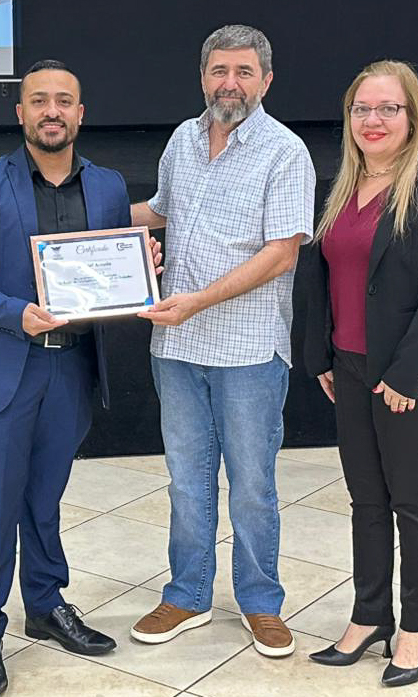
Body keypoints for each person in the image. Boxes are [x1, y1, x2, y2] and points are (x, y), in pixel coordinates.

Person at [0, 60, 160, 697]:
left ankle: (46, 605)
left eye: (63, 101)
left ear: (80, 114)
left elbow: (109, 266)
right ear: (20, 113)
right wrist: (15, 313)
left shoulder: (108, 186)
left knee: (46, 499)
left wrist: (139, 264)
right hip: (7, 366)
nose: (51, 111)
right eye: (38, 101)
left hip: (72, 367)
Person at [128, 24, 316, 657]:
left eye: (243, 72)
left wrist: (198, 302)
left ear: (266, 80)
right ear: (202, 76)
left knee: (253, 487)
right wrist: (79, 216)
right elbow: (160, 211)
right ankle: (187, 595)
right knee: (186, 482)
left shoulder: (285, 152)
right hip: (175, 349)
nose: (229, 83)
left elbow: (282, 254)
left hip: (249, 350)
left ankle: (262, 603)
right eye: (219, 70)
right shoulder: (182, 139)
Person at [300, 60, 418, 687]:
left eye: (388, 108)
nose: (373, 120)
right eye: (362, 108)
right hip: (348, 367)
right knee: (365, 499)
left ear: (411, 117)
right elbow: (323, 279)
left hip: (411, 376)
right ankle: (369, 615)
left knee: (410, 499)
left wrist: (405, 376)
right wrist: (322, 356)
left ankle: (416, 627)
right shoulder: (342, 188)